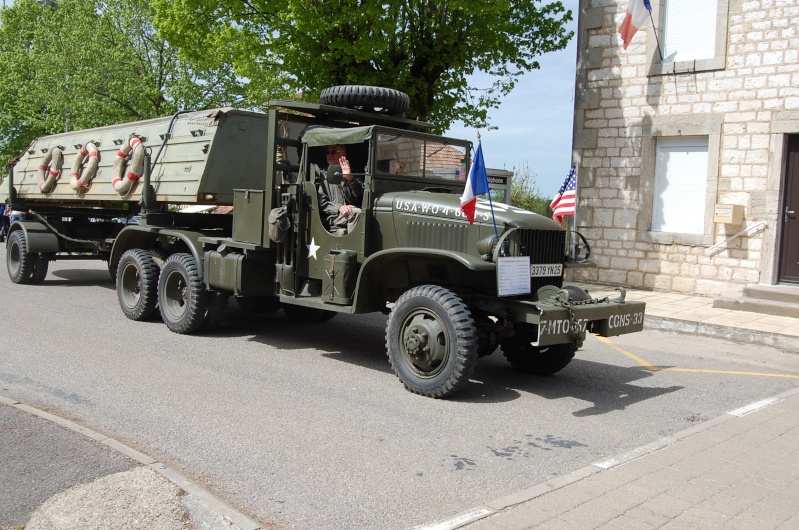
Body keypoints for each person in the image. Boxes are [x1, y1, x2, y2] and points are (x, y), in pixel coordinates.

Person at [316, 144, 364, 235]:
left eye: (333, 152)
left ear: (343, 154)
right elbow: (322, 202)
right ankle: (353, 245)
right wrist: (339, 208)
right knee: (356, 213)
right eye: (327, 152)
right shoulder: (322, 176)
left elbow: (360, 194)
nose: (330, 155)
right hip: (331, 216)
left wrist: (350, 179)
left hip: (349, 214)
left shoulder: (351, 173)